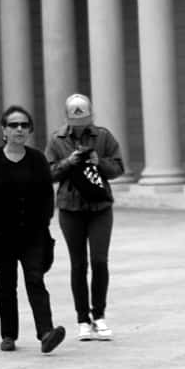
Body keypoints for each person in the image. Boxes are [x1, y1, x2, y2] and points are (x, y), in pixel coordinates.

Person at [0, 106, 67, 355]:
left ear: (30, 130)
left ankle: (46, 332)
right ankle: (8, 335)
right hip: (1, 235)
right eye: (13, 125)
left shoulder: (36, 159)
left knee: (35, 279)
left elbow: (46, 193)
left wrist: (44, 221)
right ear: (4, 130)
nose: (19, 129)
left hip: (32, 234)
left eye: (24, 125)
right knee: (6, 283)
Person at [45, 94, 125, 341]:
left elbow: (119, 167)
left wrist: (97, 161)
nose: (80, 123)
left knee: (100, 260)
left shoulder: (103, 137)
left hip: (100, 206)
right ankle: (82, 319)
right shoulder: (57, 140)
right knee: (78, 264)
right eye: (75, 118)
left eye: (84, 117)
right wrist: (69, 162)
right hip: (71, 208)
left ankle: (99, 315)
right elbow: (49, 173)